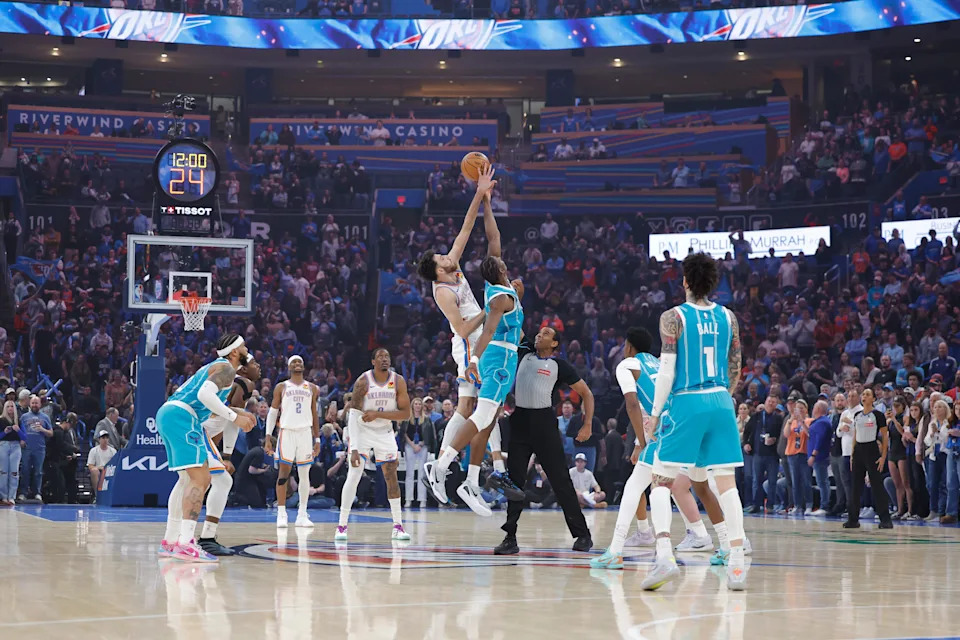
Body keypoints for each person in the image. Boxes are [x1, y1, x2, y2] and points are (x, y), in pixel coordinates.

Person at [642, 252, 747, 591]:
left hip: (687, 401)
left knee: (661, 481)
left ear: (684, 280)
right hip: (721, 399)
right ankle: (736, 563)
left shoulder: (673, 317)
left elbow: (667, 371)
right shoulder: (728, 317)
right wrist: (721, 399)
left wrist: (655, 415)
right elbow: (735, 368)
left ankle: (663, 557)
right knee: (726, 484)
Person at [425, 175, 526, 514]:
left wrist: (482, 197)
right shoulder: (443, 291)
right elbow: (463, 327)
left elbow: (471, 229)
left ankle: (476, 476)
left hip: (487, 339)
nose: (449, 258)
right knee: (472, 410)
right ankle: (444, 465)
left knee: (487, 412)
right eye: (442, 260)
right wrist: (490, 311)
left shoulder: (453, 269)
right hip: (472, 343)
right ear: (436, 272)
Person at [156, 333, 257, 563]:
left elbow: (206, 403)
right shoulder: (227, 369)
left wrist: (236, 413)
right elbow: (204, 395)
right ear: (234, 352)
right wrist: (234, 416)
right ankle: (186, 543)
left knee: (185, 480)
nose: (247, 349)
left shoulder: (216, 369)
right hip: (183, 417)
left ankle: (171, 541)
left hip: (170, 413)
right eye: (243, 346)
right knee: (201, 479)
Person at [494, 325, 594, 555]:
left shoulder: (559, 366)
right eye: (539, 332)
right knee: (515, 482)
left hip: (544, 425)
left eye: (547, 333)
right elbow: (514, 321)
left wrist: (587, 424)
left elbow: (587, 393)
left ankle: (582, 535)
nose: (540, 334)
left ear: (555, 344)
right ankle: (510, 537)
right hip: (519, 422)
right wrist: (515, 297)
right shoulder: (525, 351)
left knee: (561, 481)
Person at [336, 348, 412, 542]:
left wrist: (379, 414)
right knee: (353, 475)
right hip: (362, 431)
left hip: (384, 431)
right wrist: (353, 448)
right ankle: (342, 526)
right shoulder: (363, 381)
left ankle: (398, 526)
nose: (385, 359)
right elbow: (353, 414)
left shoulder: (398, 381)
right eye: (380, 357)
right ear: (373, 361)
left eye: (387, 356)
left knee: (391, 477)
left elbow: (405, 414)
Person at [198, 359, 262, 556]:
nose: (258, 366)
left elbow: (233, 422)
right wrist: (224, 456)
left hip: (202, 436)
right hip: (197, 433)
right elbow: (231, 418)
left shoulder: (237, 390)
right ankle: (205, 538)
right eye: (254, 363)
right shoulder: (240, 383)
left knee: (201, 483)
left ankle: (181, 538)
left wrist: (226, 456)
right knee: (222, 481)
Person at [265, 355, 321, 529]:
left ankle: (302, 514)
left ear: (304, 366)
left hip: (305, 433)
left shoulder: (312, 388)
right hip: (286, 432)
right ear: (289, 367)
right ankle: (281, 514)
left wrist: (317, 438)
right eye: (294, 362)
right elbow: (273, 412)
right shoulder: (281, 387)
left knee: (305, 475)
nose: (297, 364)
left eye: (300, 362)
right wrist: (268, 436)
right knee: (283, 474)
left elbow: (314, 414)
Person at [844, 388, 893, 529]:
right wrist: (853, 455)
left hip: (872, 450)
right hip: (859, 449)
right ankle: (853, 519)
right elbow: (855, 435)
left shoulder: (878, 415)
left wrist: (883, 456)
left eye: (867, 394)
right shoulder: (858, 415)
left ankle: (885, 519)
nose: (864, 396)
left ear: (873, 399)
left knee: (877, 485)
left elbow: (885, 436)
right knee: (855, 487)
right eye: (863, 394)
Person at [743, 395, 783, 514]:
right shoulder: (757, 416)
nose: (771, 403)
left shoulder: (779, 418)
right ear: (765, 402)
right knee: (756, 481)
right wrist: (746, 444)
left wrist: (775, 440)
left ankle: (770, 505)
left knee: (772, 481)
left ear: (776, 404)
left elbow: (781, 435)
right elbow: (747, 431)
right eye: (769, 401)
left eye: (773, 402)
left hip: (772, 455)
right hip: (758, 453)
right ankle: (756, 505)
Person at [400, 397, 434, 508]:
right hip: (410, 445)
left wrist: (420, 444)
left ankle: (422, 500)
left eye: (419, 404)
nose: (418, 406)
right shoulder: (406, 418)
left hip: (422, 446)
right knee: (409, 473)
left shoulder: (427, 419)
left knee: (421, 473)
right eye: (416, 404)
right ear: (412, 405)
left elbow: (429, 435)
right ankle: (408, 499)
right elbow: (403, 433)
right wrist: (412, 444)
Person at [19, 394, 54, 502]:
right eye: (33, 403)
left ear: (40, 404)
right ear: (30, 404)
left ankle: (37, 493)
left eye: (36, 403)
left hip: (40, 448)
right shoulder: (24, 417)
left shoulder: (45, 417)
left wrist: (43, 429)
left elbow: (51, 433)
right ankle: (23, 493)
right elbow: (18, 431)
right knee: (25, 470)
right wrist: (21, 439)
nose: (34, 405)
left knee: (38, 472)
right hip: (26, 448)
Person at [0, 399, 25, 506]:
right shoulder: (1, 420)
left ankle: (12, 497)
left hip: (15, 446)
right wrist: (4, 433)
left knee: (14, 472)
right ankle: (4, 497)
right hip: (4, 445)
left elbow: (25, 437)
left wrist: (18, 430)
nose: (10, 408)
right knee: (3, 472)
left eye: (11, 406)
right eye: (8, 406)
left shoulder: (18, 420)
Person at [87, 430, 116, 495]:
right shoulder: (94, 451)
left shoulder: (113, 451)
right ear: (99, 439)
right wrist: (98, 468)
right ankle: (97, 495)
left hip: (110, 471)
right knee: (94, 470)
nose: (105, 440)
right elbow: (90, 465)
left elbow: (115, 464)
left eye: (106, 438)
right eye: (103, 438)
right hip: (99, 471)